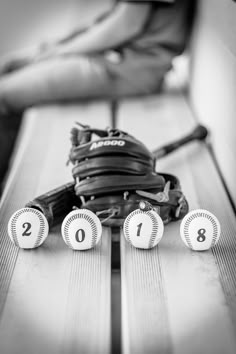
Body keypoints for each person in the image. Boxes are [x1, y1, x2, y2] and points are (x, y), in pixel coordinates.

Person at [0, 0, 195, 187]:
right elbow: (115, 16)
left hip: (128, 66)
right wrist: (55, 46)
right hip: (111, 54)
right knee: (8, 67)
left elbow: (127, 23)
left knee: (3, 95)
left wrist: (59, 52)